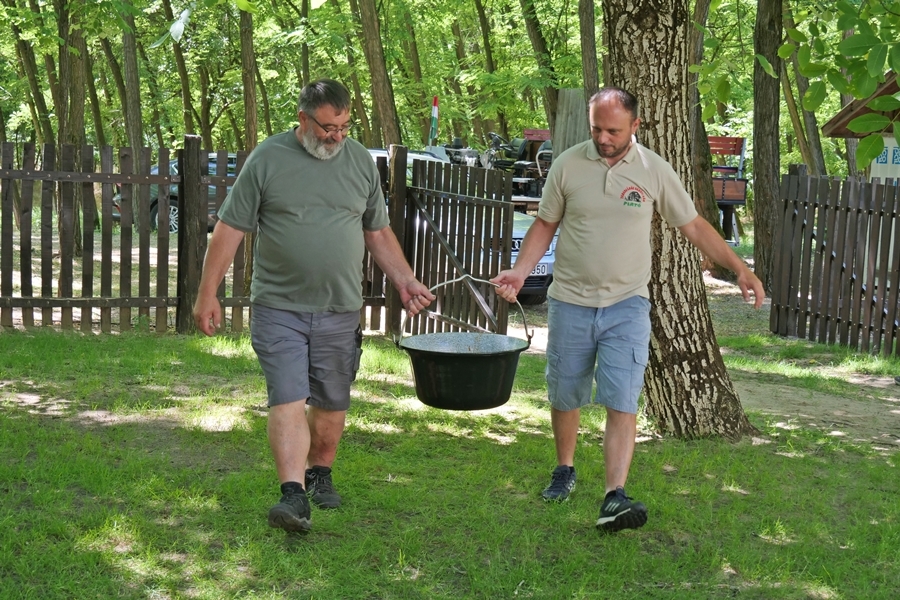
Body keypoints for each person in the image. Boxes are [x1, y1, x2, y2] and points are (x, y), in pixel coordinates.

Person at [491, 87, 764, 533]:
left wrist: (740, 269)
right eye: (597, 128)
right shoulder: (568, 165)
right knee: (565, 392)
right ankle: (564, 467)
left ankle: (614, 495)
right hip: (570, 300)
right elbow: (545, 223)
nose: (603, 138)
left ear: (635, 126)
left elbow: (694, 225)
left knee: (622, 397)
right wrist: (521, 272)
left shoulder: (653, 170)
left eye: (613, 131)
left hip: (627, 304)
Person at [193, 79, 434, 533]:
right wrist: (208, 293)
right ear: (303, 119)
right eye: (327, 127)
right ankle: (292, 494)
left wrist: (405, 281)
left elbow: (377, 231)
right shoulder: (268, 158)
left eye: (344, 127)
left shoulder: (359, 161)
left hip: (340, 308)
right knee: (288, 397)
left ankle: (319, 472)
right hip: (278, 306)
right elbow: (230, 228)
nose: (336, 137)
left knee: (330, 405)